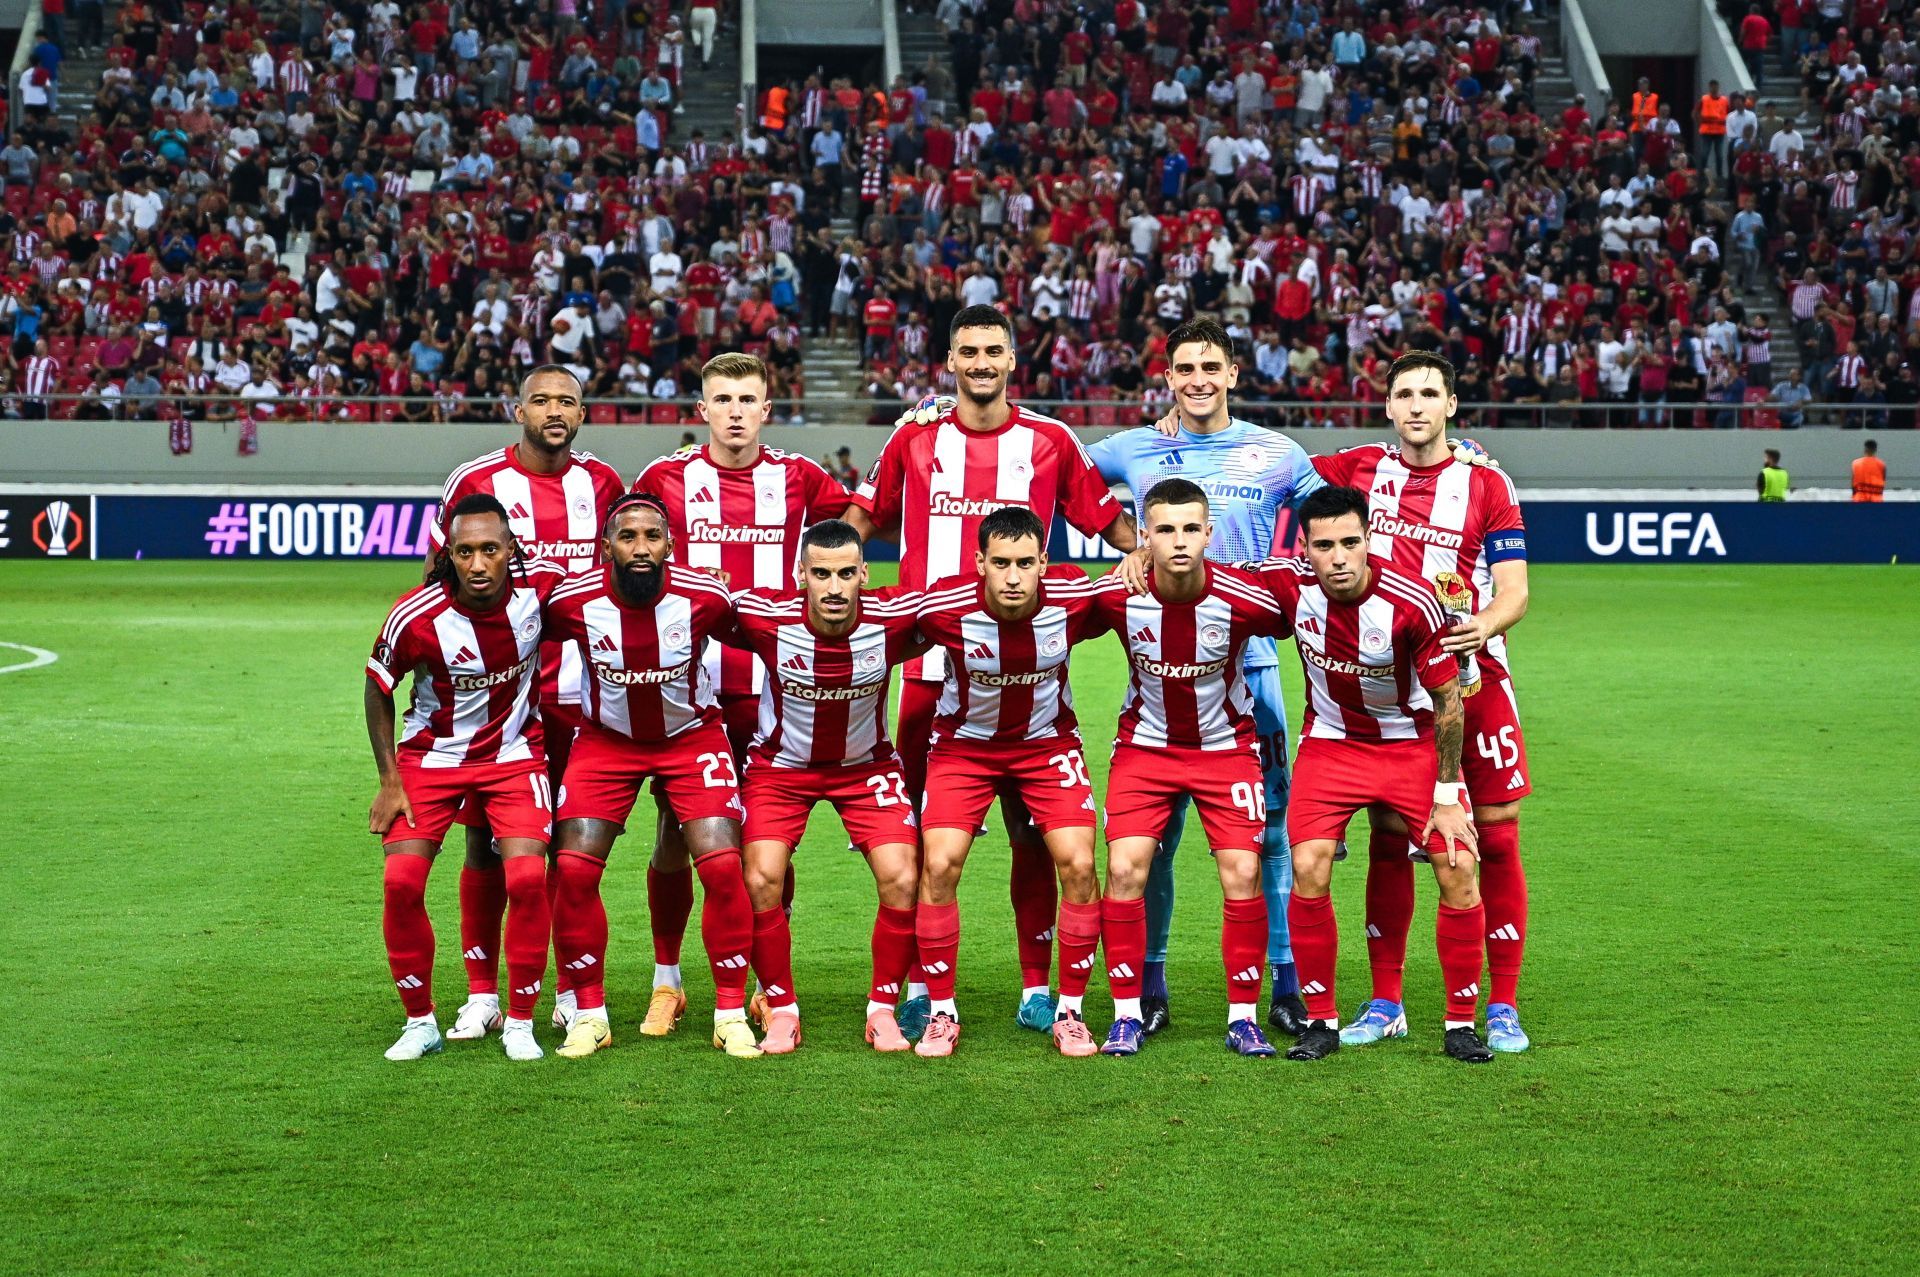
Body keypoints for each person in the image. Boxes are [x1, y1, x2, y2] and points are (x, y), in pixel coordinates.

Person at [846, 304, 1136, 1038]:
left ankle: (1037, 986)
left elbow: (1111, 523)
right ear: (949, 360)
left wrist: (1150, 556)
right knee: (920, 842)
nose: (980, 363)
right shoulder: (914, 435)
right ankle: (916, 979)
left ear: (1012, 360)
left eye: (993, 351)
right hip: (926, 673)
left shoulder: (1048, 440)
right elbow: (865, 515)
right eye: (968, 351)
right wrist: (829, 579)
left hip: (1028, 671)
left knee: (1035, 835)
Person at [1095, 318, 1325, 1039]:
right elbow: (1050, 467)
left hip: (1253, 670)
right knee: (1152, 842)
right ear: (1167, 377)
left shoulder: (1274, 451)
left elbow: (1329, 512)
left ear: (1232, 374)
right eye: (1184, 367)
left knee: (1271, 837)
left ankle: (1285, 984)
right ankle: (1151, 986)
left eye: (1210, 366)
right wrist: (1126, 541)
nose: (1197, 379)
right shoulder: (1137, 446)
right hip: (1163, 670)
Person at [1310, 352, 1535, 1053]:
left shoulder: (1487, 481)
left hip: (1472, 678)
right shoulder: (1354, 470)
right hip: (1386, 691)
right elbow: (1273, 468)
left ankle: (1501, 1002)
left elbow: (1515, 588)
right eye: (1403, 393)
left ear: (1451, 404)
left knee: (1492, 833)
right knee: (1390, 832)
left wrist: (1484, 624)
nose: (1416, 405)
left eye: (1429, 393)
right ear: (1386, 406)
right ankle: (1386, 999)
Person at [629, 353, 849, 1035]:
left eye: (745, 398)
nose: (733, 410)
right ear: (701, 410)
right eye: (720, 398)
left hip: (774, 692)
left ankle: (765, 983)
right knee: (674, 832)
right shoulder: (663, 478)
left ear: (765, 410)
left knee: (767, 846)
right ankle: (669, 980)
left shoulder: (802, 478)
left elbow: (860, 525)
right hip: (688, 692)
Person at [1243, 485, 1488, 1064]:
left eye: (1351, 542)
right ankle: (1320, 1021)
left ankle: (1459, 1025)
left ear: (1369, 539)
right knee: (1306, 865)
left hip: (1410, 746)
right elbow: (1211, 577)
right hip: (1331, 746)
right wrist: (1142, 554)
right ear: (1304, 548)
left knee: (1457, 866)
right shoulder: (1289, 586)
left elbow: (1449, 702)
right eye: (1324, 545)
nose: (1339, 557)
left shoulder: (1411, 603)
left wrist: (1449, 796)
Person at [428, 366, 627, 1040]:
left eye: (566, 401)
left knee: (572, 852)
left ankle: (574, 988)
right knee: (486, 847)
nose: (553, 410)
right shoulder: (477, 482)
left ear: (582, 413)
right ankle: (483, 993)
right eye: (540, 399)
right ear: (518, 408)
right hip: (502, 704)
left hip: (585, 698)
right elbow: (438, 583)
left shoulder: (603, 484)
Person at [540, 494, 763, 1060]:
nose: (641, 548)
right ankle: (590, 1014)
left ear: (671, 544)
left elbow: (765, 635)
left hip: (691, 736)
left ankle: (730, 1011)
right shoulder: (572, 602)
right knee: (572, 866)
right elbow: (515, 641)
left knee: (721, 862)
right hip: (605, 742)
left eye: (653, 537)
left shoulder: (706, 597)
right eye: (628, 537)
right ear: (607, 545)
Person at [1086, 477, 1291, 1059]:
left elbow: (1311, 608)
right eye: (1165, 530)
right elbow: (1050, 612)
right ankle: (1128, 1014)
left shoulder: (1244, 597)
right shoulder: (1116, 594)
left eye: (1190, 529)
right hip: (1145, 749)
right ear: (1144, 536)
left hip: (1225, 750)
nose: (1179, 541)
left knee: (1242, 875)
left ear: (1209, 533)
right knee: (1125, 872)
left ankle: (1243, 1018)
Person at [364, 495, 568, 1062]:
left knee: (527, 879)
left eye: (489, 550)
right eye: (465, 552)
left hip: (514, 756)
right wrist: (388, 780)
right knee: (401, 883)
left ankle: (521, 1023)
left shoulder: (543, 593)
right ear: (447, 555)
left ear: (511, 551)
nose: (478, 564)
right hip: (430, 759)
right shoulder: (416, 615)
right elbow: (378, 688)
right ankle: (420, 1021)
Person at [721, 520, 928, 1053]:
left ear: (864, 574)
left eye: (844, 575)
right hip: (780, 769)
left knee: (903, 878)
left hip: (867, 769)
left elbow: (959, 603)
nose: (833, 588)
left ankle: (882, 1008)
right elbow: (701, 603)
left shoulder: (893, 618)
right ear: (800, 576)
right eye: (820, 575)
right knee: (762, 877)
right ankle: (781, 1009)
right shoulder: (765, 617)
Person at [912, 507, 1108, 1057]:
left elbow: (1128, 596)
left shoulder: (1073, 599)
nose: (1015, 576)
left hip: (1047, 746)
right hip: (964, 748)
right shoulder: (945, 606)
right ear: (980, 563)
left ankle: (1067, 1010)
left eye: (1026, 562)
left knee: (1079, 863)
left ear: (1045, 562)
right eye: (1001, 563)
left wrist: (1140, 555)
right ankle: (941, 1012)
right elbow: (886, 625)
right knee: (940, 863)